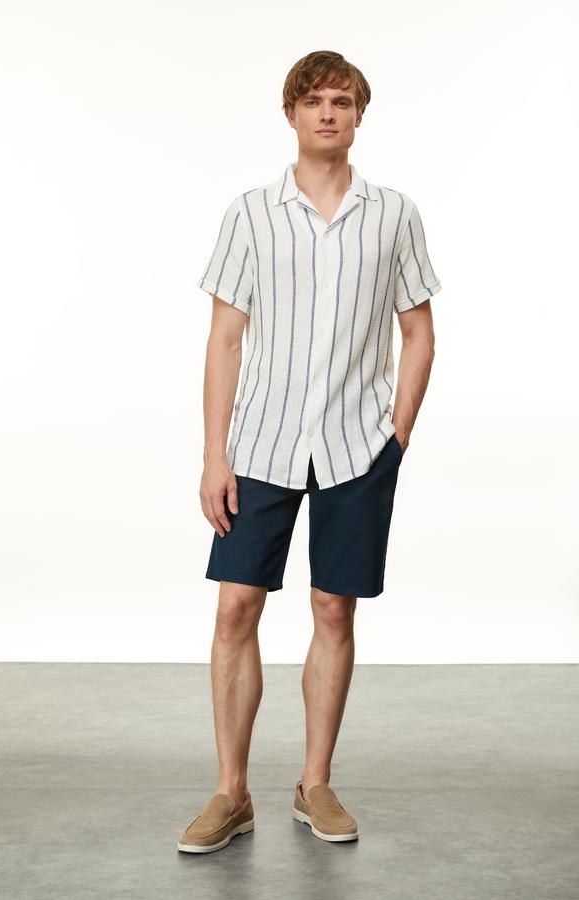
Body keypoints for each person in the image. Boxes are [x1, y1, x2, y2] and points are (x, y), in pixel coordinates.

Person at [178, 50, 442, 854]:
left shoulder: (393, 214)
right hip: (260, 444)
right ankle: (230, 793)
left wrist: (396, 435)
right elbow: (225, 339)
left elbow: (418, 332)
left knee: (334, 608)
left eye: (342, 100)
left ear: (359, 115)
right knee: (236, 607)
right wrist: (214, 454)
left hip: (357, 447)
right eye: (314, 100)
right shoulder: (250, 215)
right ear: (290, 114)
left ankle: (314, 783)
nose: (328, 112)